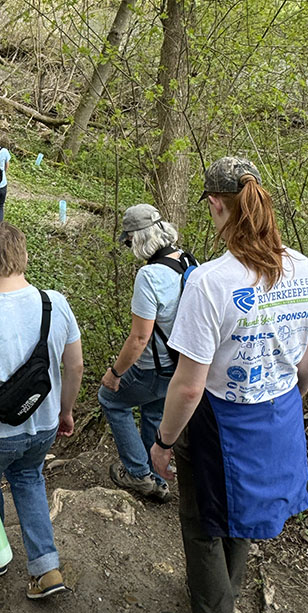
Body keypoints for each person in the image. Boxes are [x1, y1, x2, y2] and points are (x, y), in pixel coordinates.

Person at [151, 157, 308, 613]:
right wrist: (284, 403)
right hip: (280, 410)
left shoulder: (209, 282)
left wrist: (164, 441)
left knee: (203, 522)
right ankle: (224, 592)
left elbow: (189, 387)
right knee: (244, 513)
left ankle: (215, 606)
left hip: (218, 422)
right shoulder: (305, 271)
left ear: (215, 205)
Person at [0, 222, 84, 599]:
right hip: (43, 426)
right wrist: (65, 411)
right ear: (24, 257)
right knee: (29, 479)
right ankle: (46, 569)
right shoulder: (55, 303)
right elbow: (74, 365)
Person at [98, 203, 191, 503]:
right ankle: (155, 475)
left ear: (137, 239)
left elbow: (140, 338)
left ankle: (138, 474)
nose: (127, 247)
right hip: (181, 365)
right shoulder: (189, 261)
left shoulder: (149, 276)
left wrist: (114, 374)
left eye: (128, 241)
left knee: (110, 400)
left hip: (152, 367)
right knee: (153, 411)